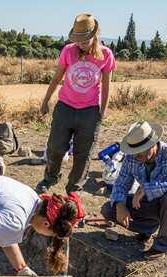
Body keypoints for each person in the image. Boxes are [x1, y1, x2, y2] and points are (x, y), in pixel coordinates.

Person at [36, 13, 116, 194]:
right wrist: (46, 101)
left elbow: (106, 86)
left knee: (83, 154)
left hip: (89, 111)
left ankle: (74, 188)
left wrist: (102, 112)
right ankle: (50, 177)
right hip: (65, 107)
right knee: (55, 148)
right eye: (78, 39)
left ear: (95, 35)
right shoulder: (68, 51)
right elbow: (57, 77)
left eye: (85, 39)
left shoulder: (106, 55)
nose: (81, 43)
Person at [101, 121, 167, 260]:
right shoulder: (132, 157)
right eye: (134, 151)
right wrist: (120, 205)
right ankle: (146, 229)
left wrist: (149, 188)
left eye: (140, 151)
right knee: (109, 209)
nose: (136, 156)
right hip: (147, 204)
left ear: (153, 144)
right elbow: (121, 184)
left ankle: (161, 246)